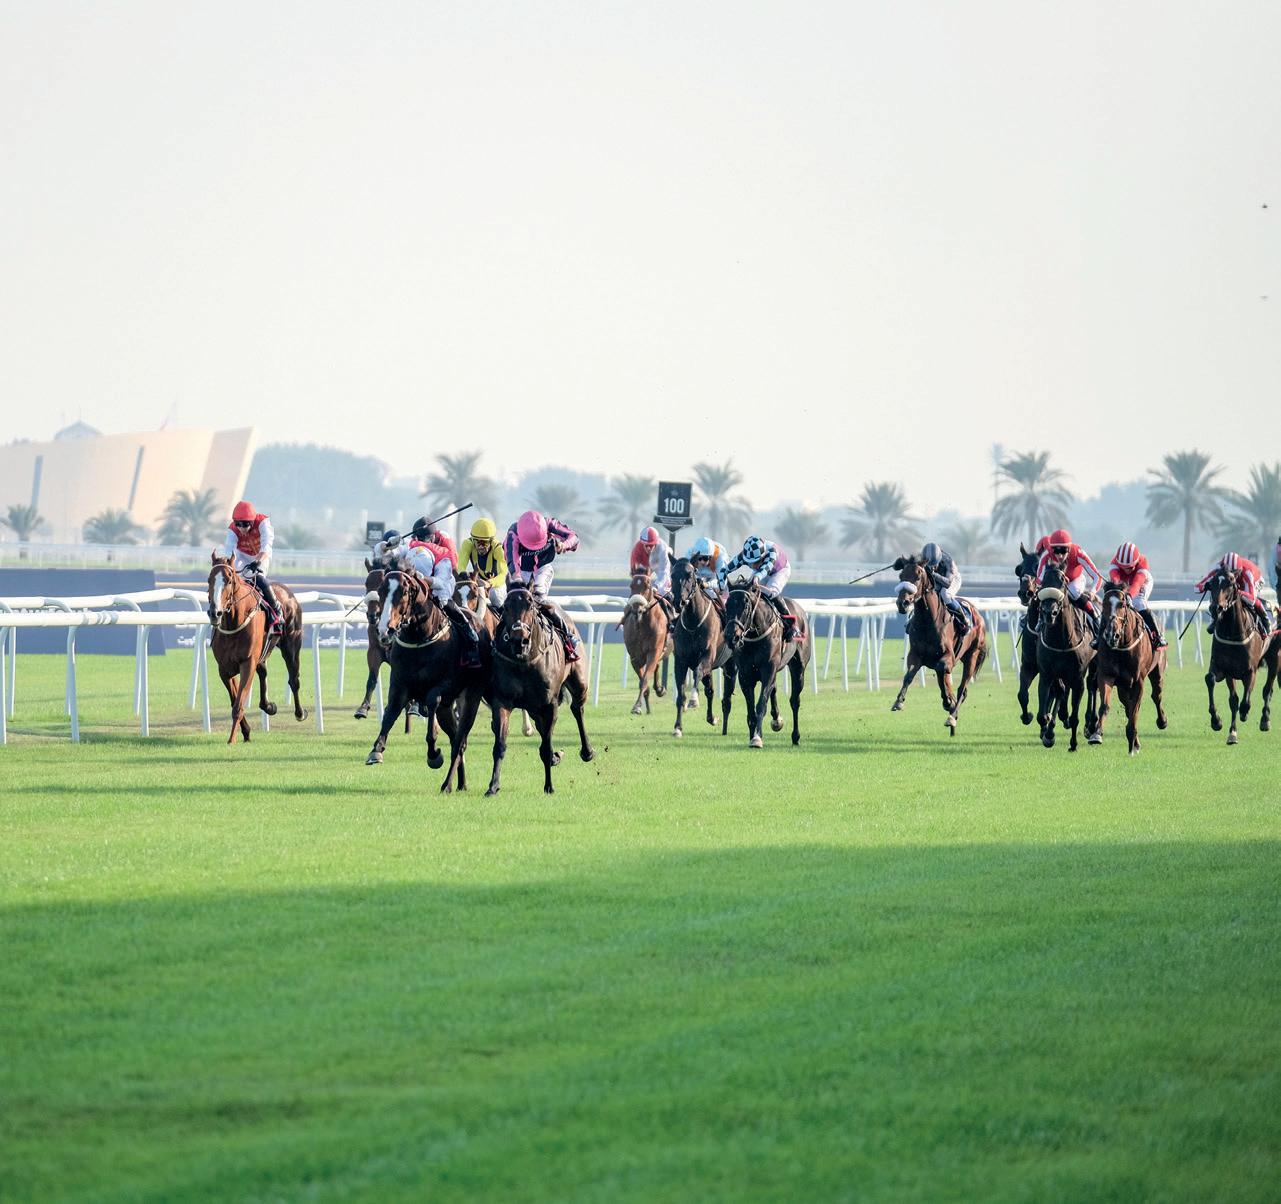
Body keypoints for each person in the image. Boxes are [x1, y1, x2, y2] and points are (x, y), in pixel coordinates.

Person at [398, 521, 481, 669]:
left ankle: (471, 638)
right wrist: (388, 545)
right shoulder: (409, 545)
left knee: (448, 605)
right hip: (411, 595)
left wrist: (422, 578)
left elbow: (441, 583)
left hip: (437, 593)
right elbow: (384, 553)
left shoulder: (443, 553)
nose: (420, 541)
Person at [503, 509, 584, 661]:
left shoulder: (550, 524)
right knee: (513, 601)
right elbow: (512, 561)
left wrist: (563, 545)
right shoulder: (513, 533)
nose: (534, 548)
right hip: (521, 571)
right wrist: (517, 578)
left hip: (543, 568)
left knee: (539, 597)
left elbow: (574, 538)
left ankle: (567, 636)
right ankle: (496, 639)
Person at [717, 535, 802, 641]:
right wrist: (721, 585)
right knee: (750, 593)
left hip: (779, 570)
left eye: (756, 562)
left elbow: (765, 569)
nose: (753, 566)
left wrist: (757, 577)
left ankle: (791, 625)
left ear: (763, 555)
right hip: (761, 572)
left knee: (770, 592)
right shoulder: (743, 556)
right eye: (750, 563)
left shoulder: (772, 552)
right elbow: (724, 571)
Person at [218, 500, 282, 634]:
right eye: (238, 524)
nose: (241, 528)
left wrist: (257, 562)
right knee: (232, 579)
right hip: (242, 556)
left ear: (252, 522)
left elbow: (266, 547)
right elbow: (229, 552)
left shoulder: (263, 523)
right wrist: (227, 568)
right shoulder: (232, 530)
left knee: (259, 578)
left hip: (260, 556)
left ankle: (277, 611)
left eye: (245, 524)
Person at [1035, 528, 1103, 634]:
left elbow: (1097, 576)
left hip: (1075, 580)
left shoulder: (1078, 553)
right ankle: (1038, 619)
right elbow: (1039, 578)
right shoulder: (1047, 555)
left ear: (1069, 549)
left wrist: (1093, 592)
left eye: (1063, 551)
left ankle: (1095, 618)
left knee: (1073, 592)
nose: (1060, 556)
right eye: (1056, 551)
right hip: (1056, 583)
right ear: (1051, 549)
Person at [1195, 552, 1271, 638]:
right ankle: (1215, 619)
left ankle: (1265, 622)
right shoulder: (1217, 569)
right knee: (1219, 592)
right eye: (1228, 573)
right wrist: (1206, 586)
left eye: (1235, 573)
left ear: (1239, 570)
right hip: (1235, 582)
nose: (1232, 576)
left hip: (1255, 579)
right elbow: (1196, 588)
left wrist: (1238, 592)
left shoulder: (1248, 573)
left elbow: (1252, 599)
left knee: (1248, 601)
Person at [1108, 542, 1166, 648]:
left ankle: (1157, 635)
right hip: (1124, 583)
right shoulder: (1114, 564)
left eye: (1130, 568)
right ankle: (1099, 636)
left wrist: (1129, 596)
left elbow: (1137, 584)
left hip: (1142, 582)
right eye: (1123, 567)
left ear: (1136, 562)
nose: (1126, 570)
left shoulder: (1143, 563)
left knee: (1139, 603)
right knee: (1112, 603)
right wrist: (1120, 592)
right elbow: (1116, 581)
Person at [917, 540, 970, 634]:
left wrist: (933, 574)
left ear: (939, 560)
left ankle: (964, 620)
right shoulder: (922, 558)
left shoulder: (948, 561)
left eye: (934, 565)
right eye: (929, 565)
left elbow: (947, 583)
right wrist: (900, 563)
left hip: (952, 579)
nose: (932, 567)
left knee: (944, 594)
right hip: (937, 579)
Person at [458, 517, 509, 608]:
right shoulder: (467, 544)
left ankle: (502, 615)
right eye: (478, 542)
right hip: (478, 582)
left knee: (495, 596)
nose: (481, 547)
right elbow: (461, 567)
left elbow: (503, 574)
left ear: (491, 541)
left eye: (484, 543)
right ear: (473, 540)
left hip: (497, 584)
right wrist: (467, 578)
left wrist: (489, 583)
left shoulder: (498, 549)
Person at [630, 526, 675, 620]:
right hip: (645, 566)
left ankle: (671, 618)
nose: (648, 548)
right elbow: (635, 575)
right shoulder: (637, 549)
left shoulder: (663, 548)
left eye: (651, 545)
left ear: (656, 543)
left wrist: (656, 586)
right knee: (637, 591)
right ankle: (627, 618)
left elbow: (664, 573)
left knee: (664, 591)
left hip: (660, 565)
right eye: (646, 545)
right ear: (642, 543)